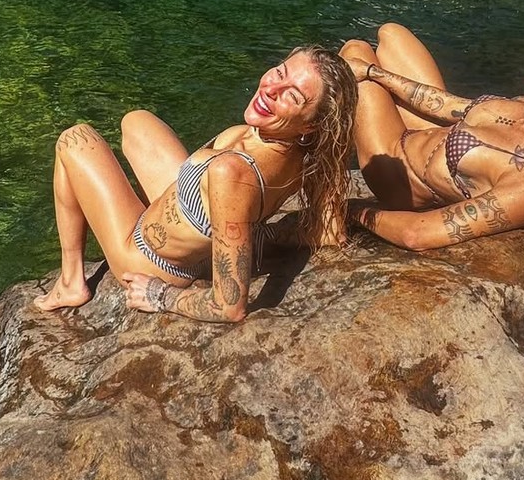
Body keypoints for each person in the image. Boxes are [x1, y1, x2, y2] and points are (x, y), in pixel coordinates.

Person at [33, 46, 357, 324]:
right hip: (196, 218)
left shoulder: (234, 175)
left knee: (74, 140)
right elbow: (329, 231)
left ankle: (71, 281)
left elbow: (230, 306)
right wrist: (266, 235)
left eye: (292, 95)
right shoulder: (306, 152)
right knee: (136, 121)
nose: (271, 88)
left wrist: (161, 295)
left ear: (311, 125)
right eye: (280, 71)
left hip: (149, 258)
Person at [340, 22, 524, 254]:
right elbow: (449, 106)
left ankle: (317, 166)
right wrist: (375, 73)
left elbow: (417, 234)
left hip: (397, 169)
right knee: (391, 34)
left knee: (354, 49)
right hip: (425, 133)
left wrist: (349, 209)